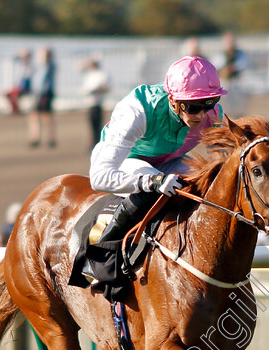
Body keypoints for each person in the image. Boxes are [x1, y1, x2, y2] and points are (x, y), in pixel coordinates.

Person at [88, 56, 227, 243]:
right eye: (193, 107)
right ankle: (105, 247)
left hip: (168, 163)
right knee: (157, 190)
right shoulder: (137, 111)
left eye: (210, 102)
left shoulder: (214, 114)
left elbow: (223, 169)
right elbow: (99, 177)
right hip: (126, 162)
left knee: (209, 183)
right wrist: (151, 182)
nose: (202, 115)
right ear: (173, 100)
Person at [28, 48, 57, 148]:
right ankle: (35, 138)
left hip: (45, 93)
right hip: (37, 93)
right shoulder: (38, 66)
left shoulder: (50, 65)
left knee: (46, 117)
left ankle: (50, 138)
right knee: (35, 116)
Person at [81, 58, 110, 148]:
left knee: (98, 125)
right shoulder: (89, 75)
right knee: (91, 125)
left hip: (97, 103)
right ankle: (93, 142)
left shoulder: (102, 75)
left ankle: (98, 143)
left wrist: (96, 90)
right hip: (89, 103)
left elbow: (106, 88)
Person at [5, 49, 33, 115]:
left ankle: (16, 109)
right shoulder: (21, 65)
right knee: (7, 94)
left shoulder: (30, 66)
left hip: (25, 87)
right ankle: (15, 109)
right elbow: (11, 58)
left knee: (14, 94)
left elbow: (27, 79)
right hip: (20, 87)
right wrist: (19, 54)